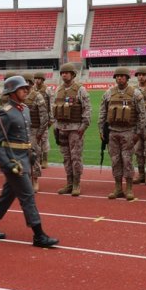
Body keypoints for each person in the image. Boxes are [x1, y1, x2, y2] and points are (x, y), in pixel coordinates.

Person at [0, 75, 59, 248]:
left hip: (24, 158)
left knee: (7, 196)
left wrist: (30, 151)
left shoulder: (24, 109)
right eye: (22, 88)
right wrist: (7, 164)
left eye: (26, 88)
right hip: (14, 162)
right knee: (28, 195)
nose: (26, 90)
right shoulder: (5, 113)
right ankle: (39, 235)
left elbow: (24, 136)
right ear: (12, 91)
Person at [98, 67, 146, 200]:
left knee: (127, 160)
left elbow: (142, 114)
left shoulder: (135, 94)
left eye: (122, 76)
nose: (119, 78)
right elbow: (102, 113)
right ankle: (118, 188)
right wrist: (101, 130)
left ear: (127, 78)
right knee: (115, 160)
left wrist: (138, 132)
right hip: (113, 132)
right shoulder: (108, 93)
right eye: (117, 76)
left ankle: (129, 188)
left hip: (128, 132)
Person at [54, 63, 91, 196]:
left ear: (73, 74)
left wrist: (83, 126)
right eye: (62, 73)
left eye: (67, 72)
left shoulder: (80, 90)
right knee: (66, 157)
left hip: (75, 129)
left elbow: (87, 109)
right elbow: (55, 109)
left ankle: (76, 184)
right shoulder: (58, 89)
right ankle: (69, 183)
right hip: (62, 129)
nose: (64, 74)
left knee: (75, 157)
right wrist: (55, 127)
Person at [23, 73, 48, 192]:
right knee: (21, 156)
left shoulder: (37, 96)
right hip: (21, 131)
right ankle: (25, 179)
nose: (26, 86)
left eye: (28, 83)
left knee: (34, 156)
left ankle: (35, 180)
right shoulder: (18, 97)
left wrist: (39, 133)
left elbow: (44, 116)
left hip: (34, 130)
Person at [33, 71, 54, 169]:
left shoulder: (48, 90)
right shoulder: (32, 90)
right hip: (34, 118)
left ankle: (45, 159)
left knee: (44, 139)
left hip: (44, 119)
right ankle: (39, 158)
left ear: (42, 80)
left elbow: (52, 105)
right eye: (36, 78)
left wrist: (51, 119)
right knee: (35, 140)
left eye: (39, 79)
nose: (37, 80)